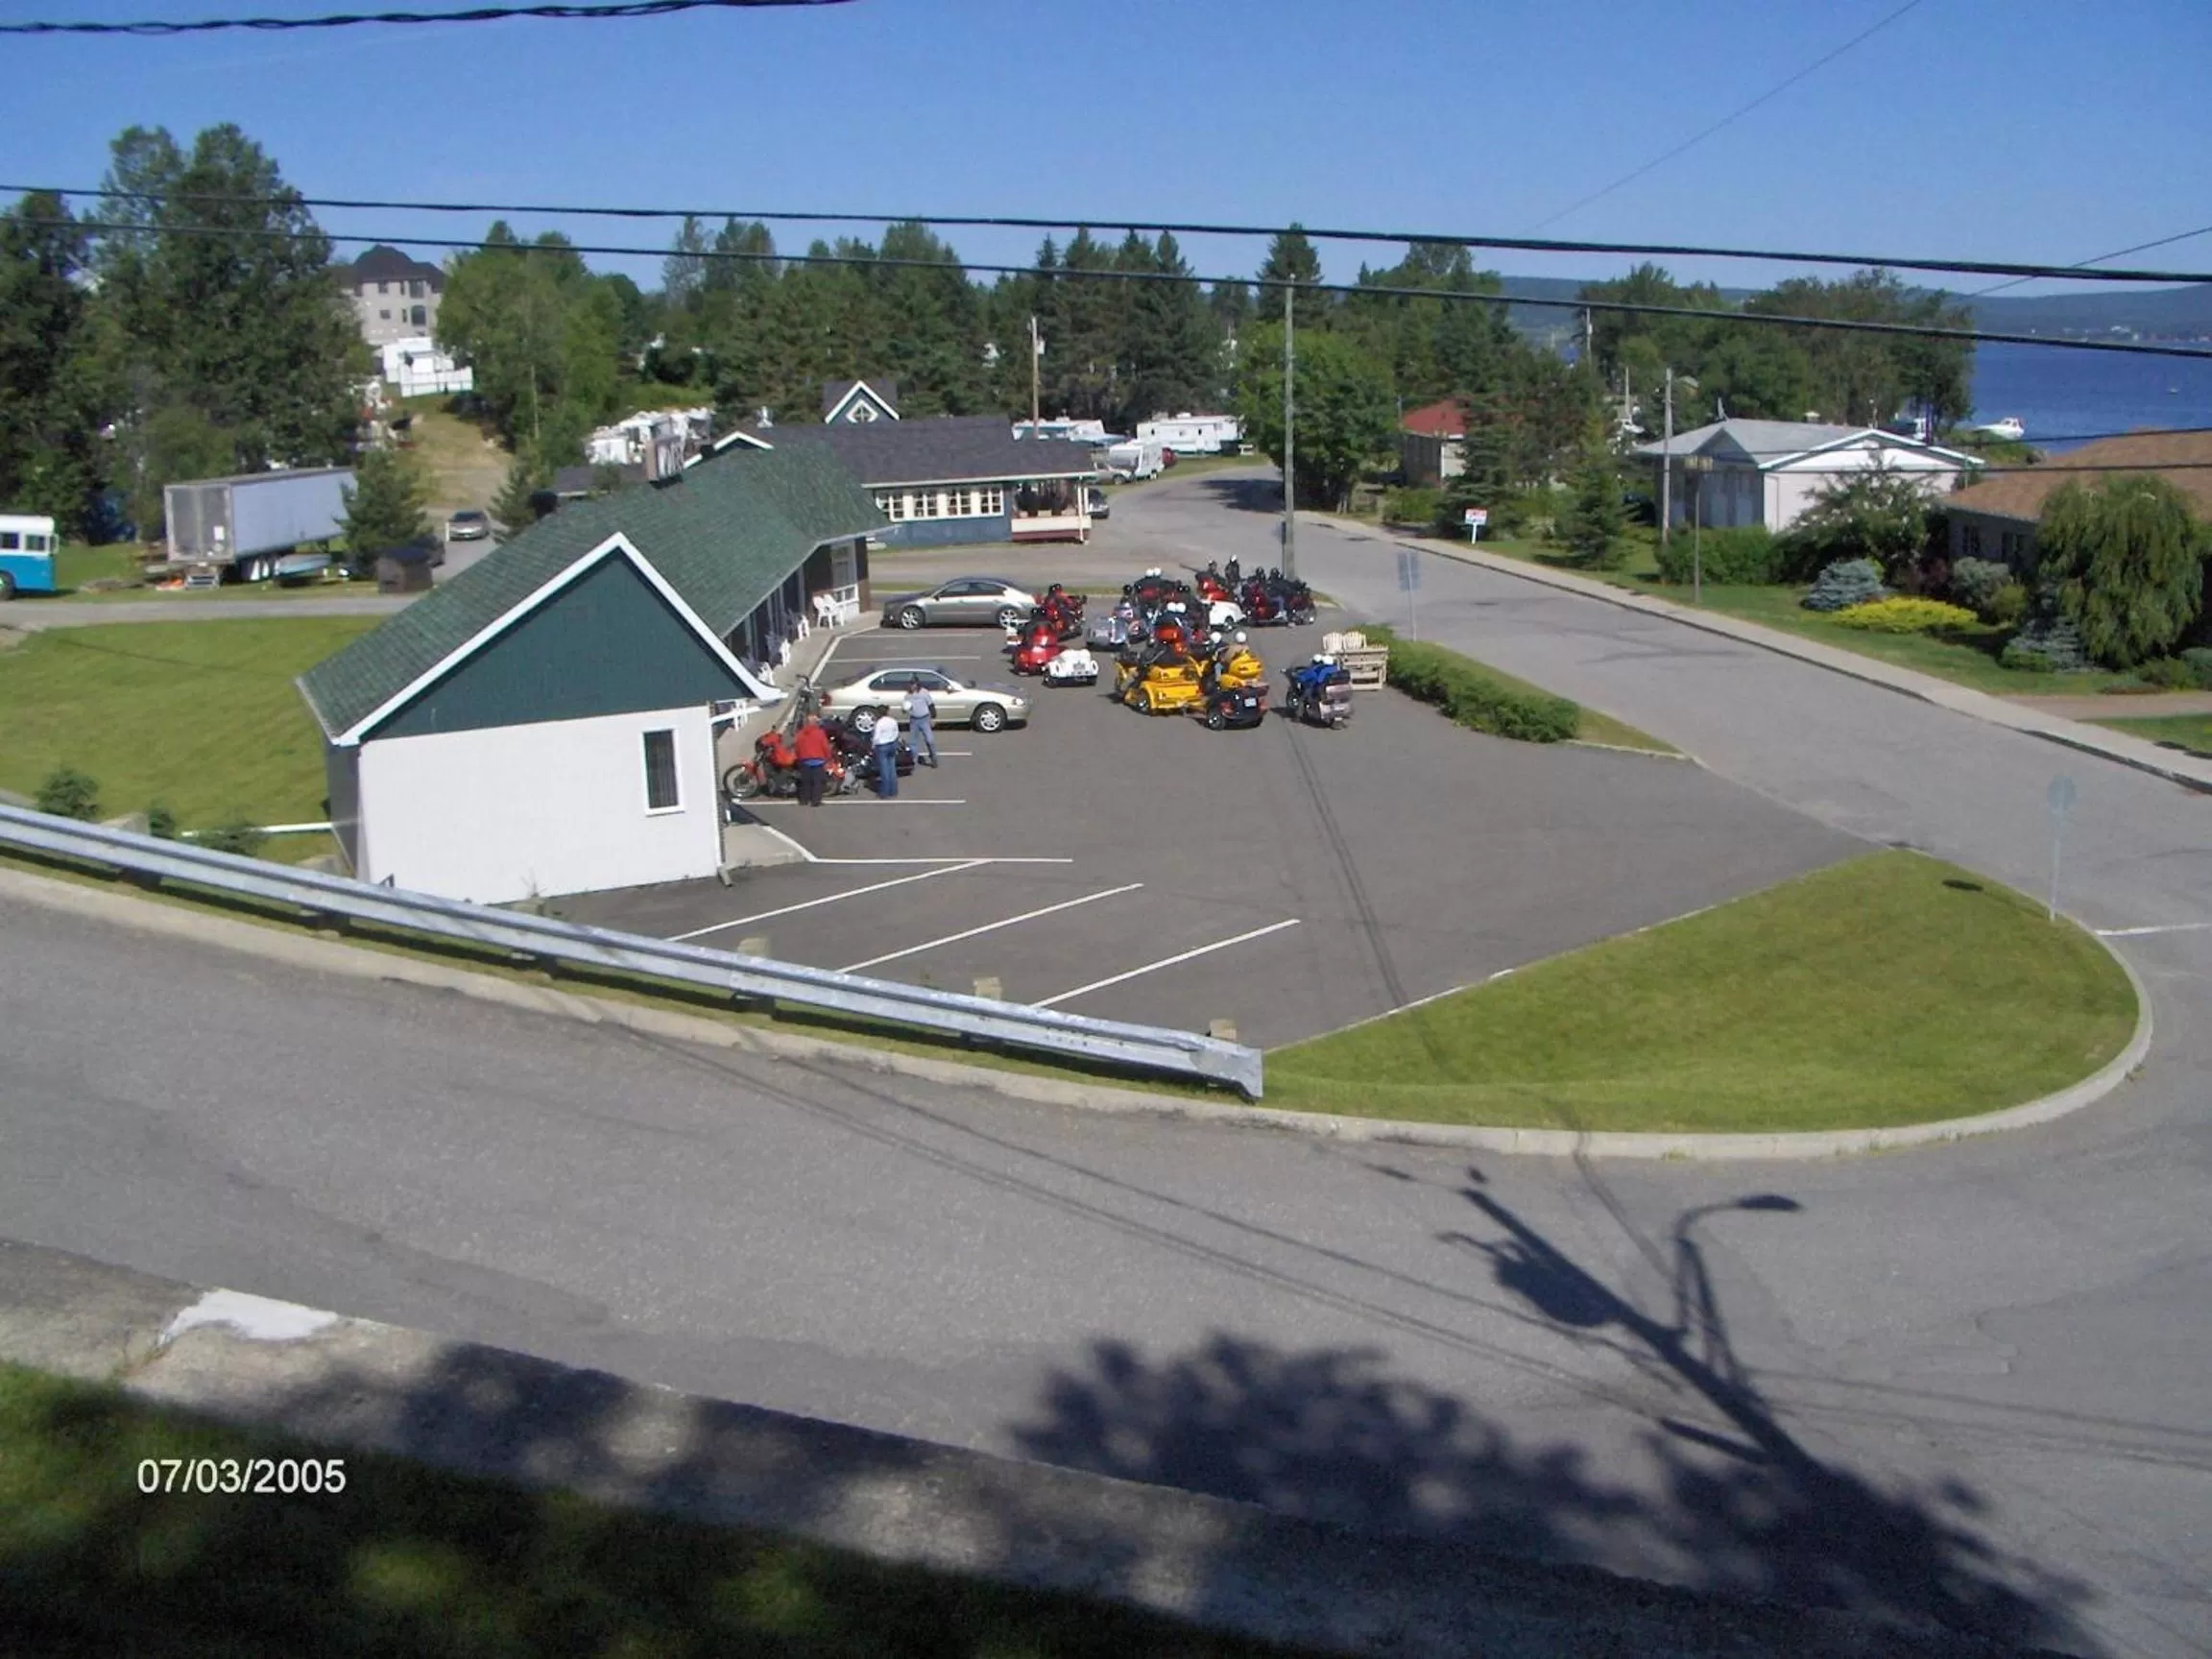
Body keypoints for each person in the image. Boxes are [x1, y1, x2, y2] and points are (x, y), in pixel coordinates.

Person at [791, 713, 833, 807]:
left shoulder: (801, 733)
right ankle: (815, 801)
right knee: (817, 782)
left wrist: (799, 757)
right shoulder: (820, 733)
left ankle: (804, 800)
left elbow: (797, 747)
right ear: (815, 723)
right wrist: (828, 758)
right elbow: (825, 747)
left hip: (804, 760)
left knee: (805, 782)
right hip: (818, 760)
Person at [903, 677, 938, 768]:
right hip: (914, 721)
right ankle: (913, 761)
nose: (912, 686)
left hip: (924, 719)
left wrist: (933, 718)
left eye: (913, 684)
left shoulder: (924, 692)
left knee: (929, 740)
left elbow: (931, 705)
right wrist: (905, 709)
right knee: (913, 743)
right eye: (910, 684)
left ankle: (933, 757)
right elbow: (905, 707)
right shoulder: (908, 695)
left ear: (917, 684)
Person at [870, 708, 902, 799]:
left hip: (882, 746)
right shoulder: (893, 721)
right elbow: (896, 732)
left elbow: (876, 737)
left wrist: (873, 746)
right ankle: (893, 790)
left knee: (884, 770)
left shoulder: (879, 723)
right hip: (892, 744)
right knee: (892, 768)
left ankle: (884, 792)